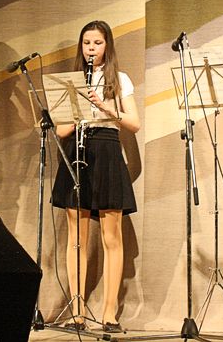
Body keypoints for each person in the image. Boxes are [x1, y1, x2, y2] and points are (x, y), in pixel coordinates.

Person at [51, 20, 140, 333]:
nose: (91, 49)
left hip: (106, 148)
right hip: (78, 150)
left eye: (97, 43)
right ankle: (77, 311)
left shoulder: (120, 79)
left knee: (111, 237)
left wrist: (103, 106)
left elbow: (134, 123)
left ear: (107, 46)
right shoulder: (72, 81)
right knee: (76, 239)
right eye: (87, 43)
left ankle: (109, 312)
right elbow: (61, 130)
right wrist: (78, 109)